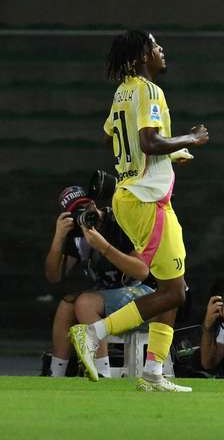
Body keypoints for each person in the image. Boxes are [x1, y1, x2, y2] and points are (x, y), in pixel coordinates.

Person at [68, 30, 209, 392]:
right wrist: (190, 138)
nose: (162, 50)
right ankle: (93, 333)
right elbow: (148, 141)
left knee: (174, 287)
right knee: (174, 293)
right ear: (143, 56)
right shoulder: (149, 91)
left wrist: (170, 155)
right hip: (146, 199)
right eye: (155, 46)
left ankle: (153, 374)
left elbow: (114, 137)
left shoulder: (122, 92)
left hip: (136, 194)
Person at [44, 185, 152, 377]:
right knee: (66, 305)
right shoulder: (76, 235)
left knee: (85, 303)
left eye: (85, 208)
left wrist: (103, 247)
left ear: (93, 204)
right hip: (110, 294)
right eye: (76, 213)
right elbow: (54, 276)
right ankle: (56, 372)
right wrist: (58, 237)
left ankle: (103, 372)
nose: (84, 215)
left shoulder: (117, 222)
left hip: (145, 293)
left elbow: (142, 271)